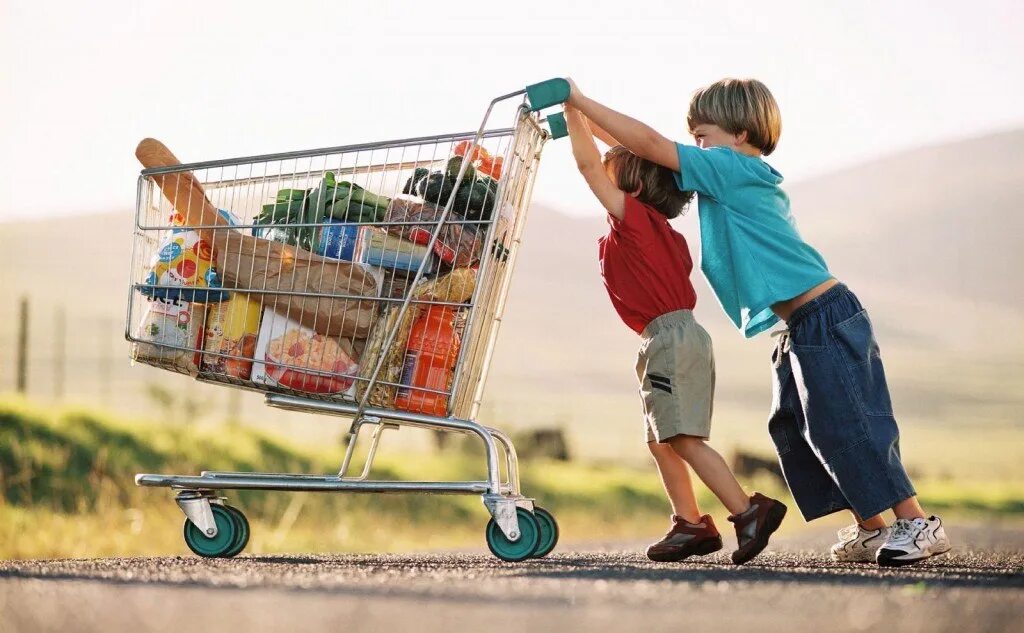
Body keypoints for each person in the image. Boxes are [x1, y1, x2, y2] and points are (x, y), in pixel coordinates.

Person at [564, 77, 951, 566]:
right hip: (802, 324)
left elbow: (647, 145)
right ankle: (873, 526)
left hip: (824, 315)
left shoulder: (731, 168)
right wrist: (575, 119)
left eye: (702, 136)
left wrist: (577, 100)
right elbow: (638, 154)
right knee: (809, 430)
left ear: (740, 134)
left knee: (852, 422)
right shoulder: (724, 171)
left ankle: (917, 521)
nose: (695, 147)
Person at [563, 102, 787, 565]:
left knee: (683, 438)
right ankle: (689, 523)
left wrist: (571, 105)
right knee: (661, 437)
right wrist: (583, 125)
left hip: (670, 337)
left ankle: (748, 511)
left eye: (613, 171)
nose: (603, 173)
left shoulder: (637, 223)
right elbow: (616, 154)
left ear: (636, 185)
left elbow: (588, 166)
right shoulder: (652, 228)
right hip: (667, 337)